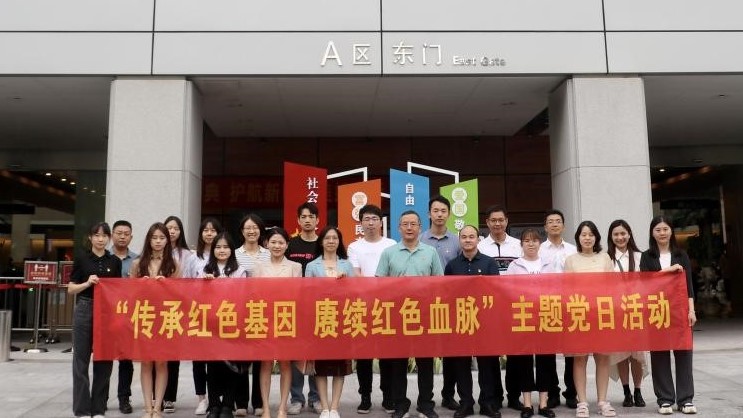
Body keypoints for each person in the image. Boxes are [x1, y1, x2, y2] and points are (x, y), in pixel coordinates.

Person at [376, 210, 443, 418]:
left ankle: (426, 404)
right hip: (398, 315)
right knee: (398, 363)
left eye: (413, 224)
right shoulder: (389, 253)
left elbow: (439, 283)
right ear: (398, 228)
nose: (409, 227)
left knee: (425, 363)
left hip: (424, 315)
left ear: (420, 227)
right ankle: (400, 405)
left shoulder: (430, 252)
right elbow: (379, 284)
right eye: (405, 224)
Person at [639, 216, 697, 415]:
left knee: (684, 354)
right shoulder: (647, 256)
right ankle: (665, 400)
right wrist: (669, 271)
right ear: (652, 233)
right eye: (658, 230)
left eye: (665, 229)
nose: (662, 233)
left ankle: (686, 399)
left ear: (671, 231)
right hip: (657, 311)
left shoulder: (681, 255)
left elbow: (689, 286)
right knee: (659, 356)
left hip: (680, 311)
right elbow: (645, 282)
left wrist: (691, 310)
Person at [443, 225, 500, 418]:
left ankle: (487, 403)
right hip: (461, 321)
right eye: (464, 237)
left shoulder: (489, 263)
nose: (468, 240)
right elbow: (447, 294)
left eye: (471, 237)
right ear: (459, 240)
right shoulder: (452, 265)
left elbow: (495, 291)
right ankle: (466, 403)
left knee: (487, 365)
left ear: (478, 239)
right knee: (461, 365)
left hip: (484, 321)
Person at [68, 222, 122, 418]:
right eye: (97, 235)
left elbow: (118, 290)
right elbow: (71, 288)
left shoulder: (114, 261)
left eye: (104, 235)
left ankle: (98, 409)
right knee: (80, 360)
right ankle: (82, 410)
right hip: (85, 307)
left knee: (104, 360)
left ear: (109, 238)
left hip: (107, 312)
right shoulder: (82, 259)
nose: (101, 239)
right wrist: (87, 283)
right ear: (90, 238)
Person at [347, 204, 396, 414]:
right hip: (363, 306)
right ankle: (365, 396)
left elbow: (393, 273)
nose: (370, 223)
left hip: (387, 306)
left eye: (374, 219)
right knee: (364, 355)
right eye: (366, 219)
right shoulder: (354, 247)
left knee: (387, 355)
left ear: (380, 222)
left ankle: (388, 396)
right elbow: (356, 274)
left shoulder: (391, 245)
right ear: (361, 223)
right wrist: (375, 288)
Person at [563, 221, 615, 418]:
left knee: (602, 358)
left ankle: (602, 401)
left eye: (591, 234)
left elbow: (612, 287)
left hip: (601, 314)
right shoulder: (571, 260)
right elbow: (567, 289)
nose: (587, 238)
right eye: (583, 234)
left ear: (596, 238)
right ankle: (582, 402)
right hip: (579, 314)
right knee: (580, 358)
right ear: (578, 237)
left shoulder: (605, 258)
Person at [504, 229, 556, 418]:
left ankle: (543, 403)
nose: (531, 244)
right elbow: (508, 291)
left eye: (534, 240)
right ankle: (527, 404)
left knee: (546, 361)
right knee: (523, 361)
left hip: (545, 317)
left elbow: (555, 288)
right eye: (527, 240)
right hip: (523, 317)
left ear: (540, 243)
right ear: (521, 244)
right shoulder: (514, 266)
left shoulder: (549, 264)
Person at [130, 222, 180, 418]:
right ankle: (147, 407)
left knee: (161, 363)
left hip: (166, 317)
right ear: (148, 240)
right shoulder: (138, 264)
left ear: (167, 240)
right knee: (145, 362)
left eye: (161, 238)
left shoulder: (173, 264)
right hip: (145, 317)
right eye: (154, 238)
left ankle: (158, 407)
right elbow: (128, 294)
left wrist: (167, 285)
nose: (158, 241)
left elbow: (181, 295)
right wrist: (140, 285)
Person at [304, 226, 355, 418]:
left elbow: (354, 293)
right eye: (327, 238)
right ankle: (324, 407)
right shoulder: (312, 266)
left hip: (341, 321)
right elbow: (307, 294)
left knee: (339, 367)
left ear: (339, 242)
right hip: (321, 320)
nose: (331, 241)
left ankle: (334, 407)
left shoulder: (346, 265)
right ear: (321, 242)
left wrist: (345, 282)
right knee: (322, 368)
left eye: (335, 238)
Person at [476, 205, 522, 411]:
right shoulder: (480, 246)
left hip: (514, 306)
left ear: (506, 221)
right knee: (489, 354)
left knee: (515, 354)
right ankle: (493, 396)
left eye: (500, 220)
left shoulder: (518, 245)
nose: (497, 224)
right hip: (489, 308)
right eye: (493, 220)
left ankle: (514, 396)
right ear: (487, 223)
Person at [254, 227, 303, 418]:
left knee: (285, 364)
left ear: (287, 245)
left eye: (281, 242)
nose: (277, 246)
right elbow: (254, 295)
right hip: (264, 319)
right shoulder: (259, 267)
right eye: (273, 242)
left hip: (286, 319)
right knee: (265, 364)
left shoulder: (295, 267)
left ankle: (282, 407)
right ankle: (266, 408)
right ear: (267, 244)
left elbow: (298, 295)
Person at [199, 232, 249, 418]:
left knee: (232, 366)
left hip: (232, 323)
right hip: (211, 324)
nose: (222, 250)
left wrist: (226, 284)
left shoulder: (239, 270)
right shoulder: (205, 269)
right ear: (213, 250)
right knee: (212, 366)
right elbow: (196, 295)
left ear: (231, 250)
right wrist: (205, 284)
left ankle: (228, 405)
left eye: (226, 247)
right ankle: (214, 405)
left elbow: (243, 295)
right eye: (218, 247)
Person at [421, 196, 461, 412]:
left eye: (443, 211)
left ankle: (448, 394)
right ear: (429, 214)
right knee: (426, 353)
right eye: (435, 210)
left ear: (449, 214)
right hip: (425, 305)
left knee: (451, 353)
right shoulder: (420, 239)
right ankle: (425, 398)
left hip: (450, 304)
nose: (439, 214)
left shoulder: (457, 241)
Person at [606, 220, 647, 409]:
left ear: (629, 234)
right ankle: (626, 391)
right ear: (611, 237)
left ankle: (638, 390)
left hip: (637, 311)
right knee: (621, 354)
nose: (620, 237)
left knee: (637, 355)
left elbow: (649, 282)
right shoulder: (606, 258)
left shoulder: (640, 257)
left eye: (623, 233)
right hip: (616, 313)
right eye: (616, 234)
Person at [538, 210, 578, 410]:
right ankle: (552, 393)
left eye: (558, 221)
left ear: (563, 226)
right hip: (545, 305)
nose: (554, 224)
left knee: (572, 352)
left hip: (569, 305)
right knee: (547, 353)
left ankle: (571, 392)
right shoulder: (538, 249)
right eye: (550, 221)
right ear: (545, 226)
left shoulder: (573, 250)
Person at [286, 202, 321, 414]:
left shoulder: (323, 243)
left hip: (319, 307)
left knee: (317, 352)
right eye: (304, 217)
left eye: (311, 217)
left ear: (318, 220)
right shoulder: (291, 245)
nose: (307, 220)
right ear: (298, 220)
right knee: (296, 353)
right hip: (295, 307)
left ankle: (316, 398)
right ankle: (296, 398)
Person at [235, 213, 270, 416]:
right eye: (248, 228)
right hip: (239, 312)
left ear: (260, 230)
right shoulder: (234, 254)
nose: (251, 231)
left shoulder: (268, 253)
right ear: (242, 231)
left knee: (260, 358)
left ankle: (258, 402)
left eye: (255, 227)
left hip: (262, 311)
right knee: (241, 357)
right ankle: (240, 403)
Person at [189, 217, 224, 415]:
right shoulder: (194, 257)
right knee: (199, 359)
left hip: (220, 314)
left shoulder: (225, 253)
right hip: (198, 312)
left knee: (218, 358)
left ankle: (217, 396)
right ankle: (202, 398)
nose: (209, 234)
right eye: (206, 230)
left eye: (213, 230)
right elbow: (185, 284)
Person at [160, 215, 193, 414]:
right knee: (156, 354)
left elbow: (190, 281)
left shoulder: (187, 255)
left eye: (176, 228)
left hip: (177, 309)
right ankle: (156, 395)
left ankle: (169, 397)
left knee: (172, 355)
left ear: (180, 232)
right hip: (156, 309)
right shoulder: (154, 251)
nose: (172, 231)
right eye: (169, 228)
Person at [111, 220, 139, 415]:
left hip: (129, 315)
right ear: (112, 235)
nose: (122, 236)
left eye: (126, 233)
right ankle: (100, 397)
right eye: (119, 233)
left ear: (131, 236)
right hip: (107, 314)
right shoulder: (103, 258)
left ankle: (124, 398)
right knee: (103, 358)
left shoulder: (137, 260)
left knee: (126, 359)